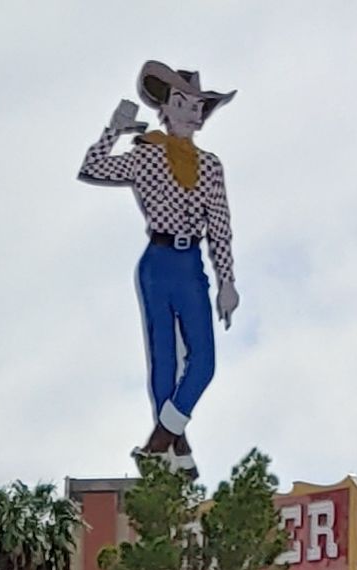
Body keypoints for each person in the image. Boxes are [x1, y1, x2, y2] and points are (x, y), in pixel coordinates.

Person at [78, 62, 239, 465]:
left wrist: (227, 281)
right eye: (182, 103)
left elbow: (220, 227)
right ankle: (175, 451)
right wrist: (115, 129)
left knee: (203, 362)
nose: (190, 112)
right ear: (165, 109)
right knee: (163, 358)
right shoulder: (145, 156)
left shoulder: (210, 166)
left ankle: (159, 443)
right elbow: (92, 168)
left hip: (190, 263)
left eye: (197, 107)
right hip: (157, 260)